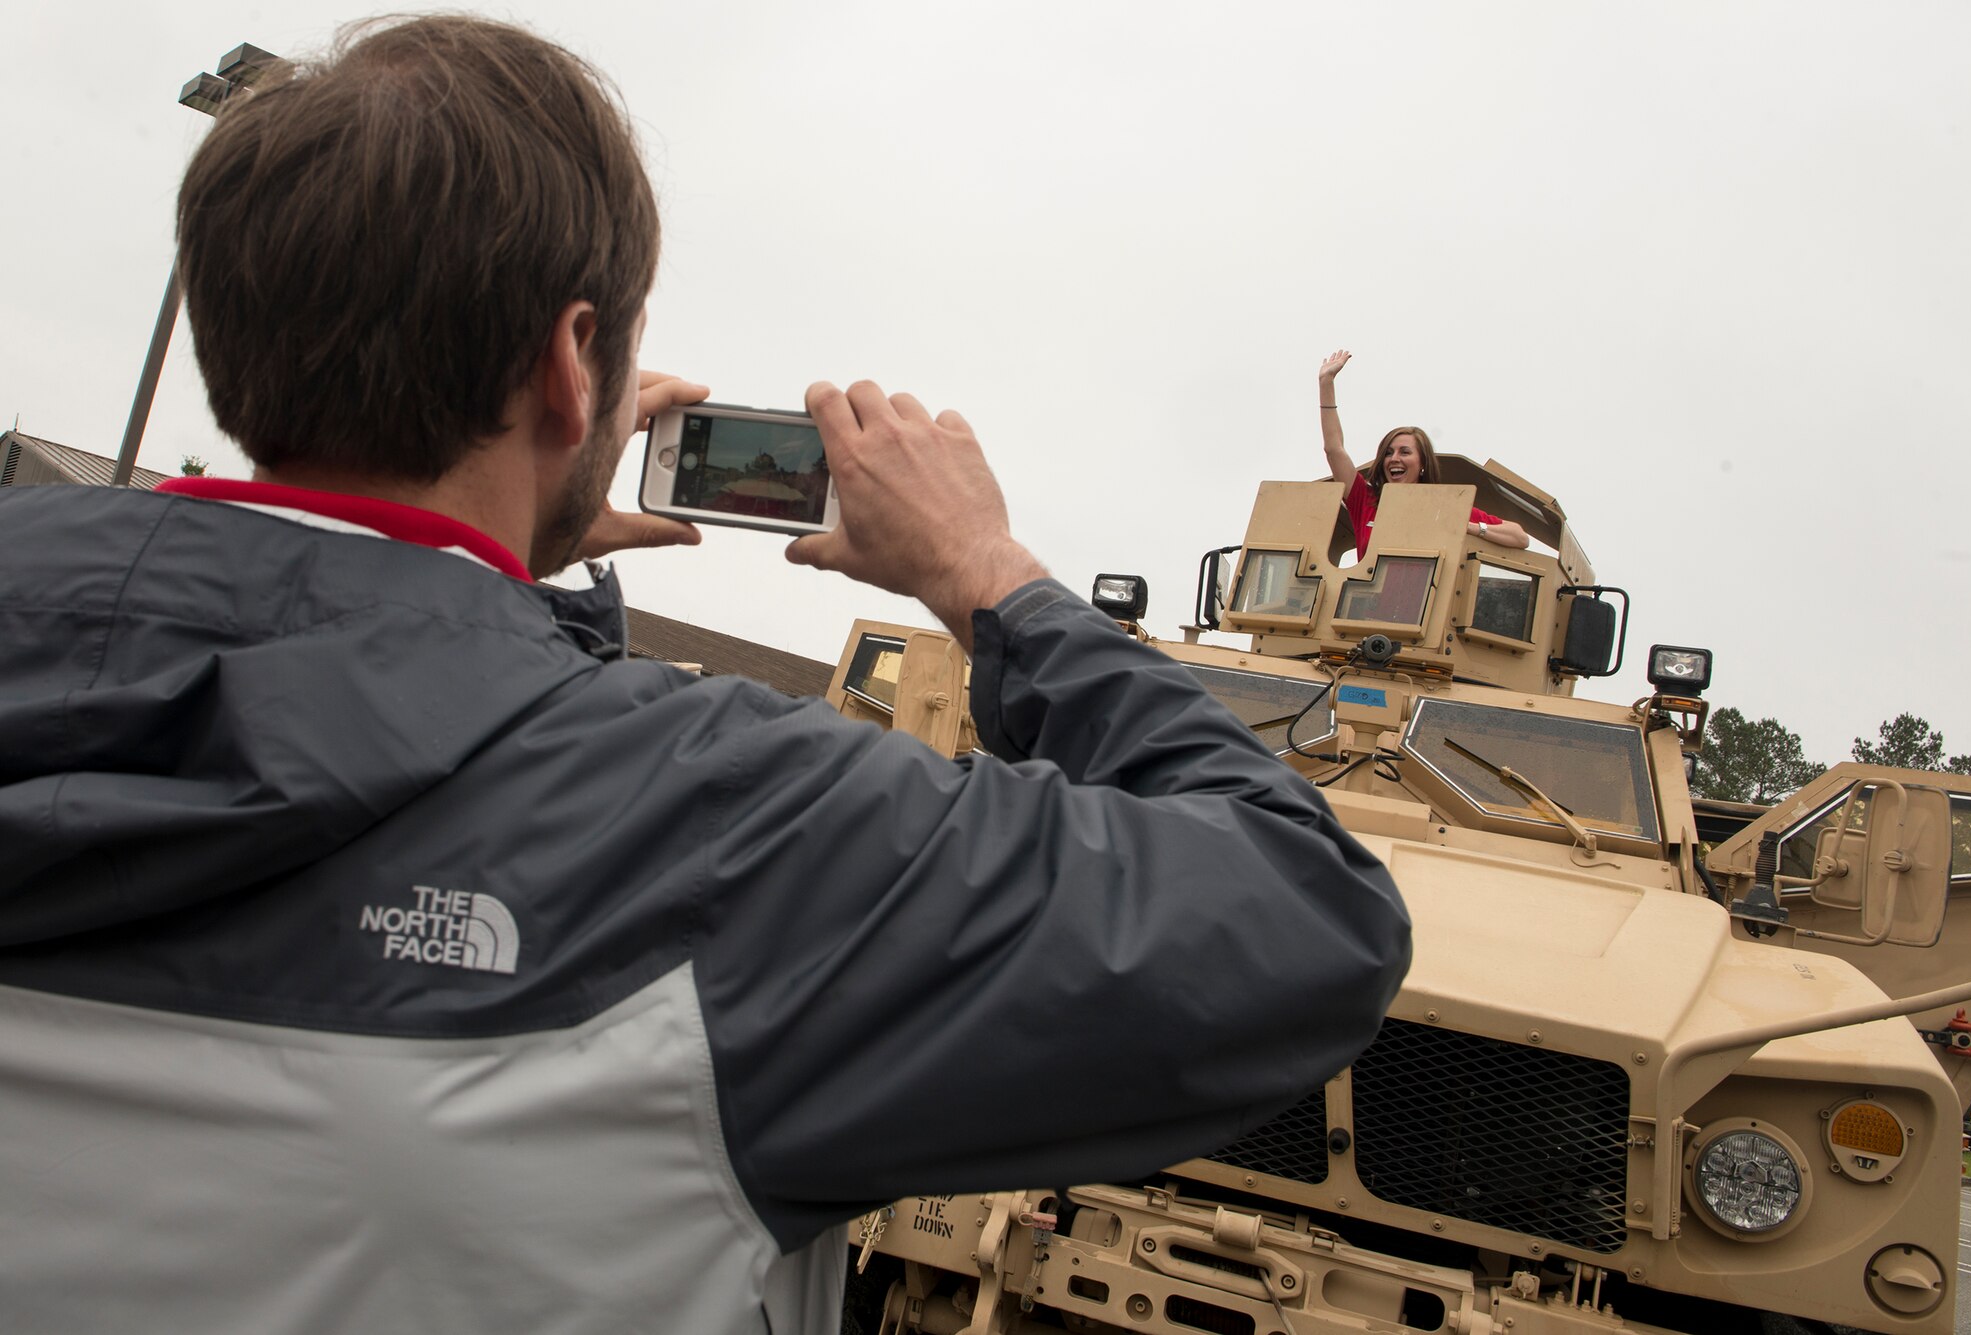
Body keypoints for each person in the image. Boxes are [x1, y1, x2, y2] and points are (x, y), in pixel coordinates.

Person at [0, 17, 1410, 1335]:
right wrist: (990, 574)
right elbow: (1304, 911)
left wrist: (495, 579)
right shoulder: (740, 823)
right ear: (573, 367)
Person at [1317, 350, 1529, 560]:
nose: (1394, 458)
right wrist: (1326, 383)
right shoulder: (1366, 501)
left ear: (1422, 464)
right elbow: (1334, 450)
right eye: (1388, 453)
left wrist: (1467, 527)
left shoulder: (1446, 508)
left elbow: (1519, 537)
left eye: (1405, 452)